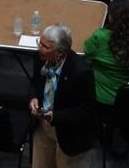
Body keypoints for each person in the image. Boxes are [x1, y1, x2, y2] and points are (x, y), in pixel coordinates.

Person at [30, 24, 99, 168]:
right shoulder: (40, 58)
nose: (39, 48)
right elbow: (35, 83)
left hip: (70, 134)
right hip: (43, 128)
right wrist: (34, 98)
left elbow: (87, 109)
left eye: (44, 46)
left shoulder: (80, 71)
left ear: (59, 52)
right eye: (39, 43)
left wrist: (56, 116)